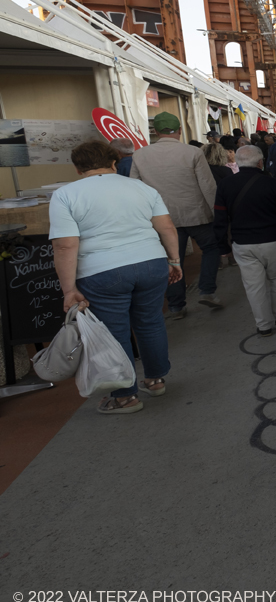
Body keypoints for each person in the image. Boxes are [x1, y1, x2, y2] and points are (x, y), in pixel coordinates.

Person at [49, 141, 183, 414]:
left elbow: (65, 245)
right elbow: (166, 226)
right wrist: (174, 260)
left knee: (114, 332)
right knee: (150, 321)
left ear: (77, 168)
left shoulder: (64, 195)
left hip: (102, 272)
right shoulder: (142, 188)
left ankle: (125, 396)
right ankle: (155, 380)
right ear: (114, 163)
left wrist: (69, 289)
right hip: (151, 263)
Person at [130, 111, 223, 318]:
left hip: (162, 218)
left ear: (155, 132)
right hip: (196, 214)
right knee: (210, 248)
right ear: (180, 130)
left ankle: (176, 306)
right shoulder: (193, 152)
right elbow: (208, 186)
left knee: (173, 260)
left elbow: (135, 188)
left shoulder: (140, 154)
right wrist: (217, 213)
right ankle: (207, 289)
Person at [213, 146, 276, 337]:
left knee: (254, 285)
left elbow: (220, 217)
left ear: (238, 162)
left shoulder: (225, 185)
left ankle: (264, 325)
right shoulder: (272, 184)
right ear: (260, 163)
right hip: (272, 240)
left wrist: (222, 246)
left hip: (243, 243)